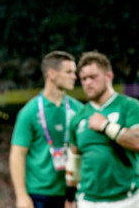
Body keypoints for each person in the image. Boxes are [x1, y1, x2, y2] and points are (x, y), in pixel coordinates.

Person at [66, 51, 139, 207]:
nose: (88, 83)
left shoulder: (129, 106)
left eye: (93, 77)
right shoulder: (78, 118)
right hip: (89, 201)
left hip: (129, 199)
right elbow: (74, 160)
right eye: (84, 79)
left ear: (109, 76)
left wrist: (107, 126)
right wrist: (70, 197)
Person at [10, 50, 83, 208]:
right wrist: (21, 195)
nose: (75, 77)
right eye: (69, 72)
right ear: (52, 74)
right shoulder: (29, 111)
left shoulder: (78, 110)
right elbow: (17, 153)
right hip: (38, 194)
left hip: (71, 193)